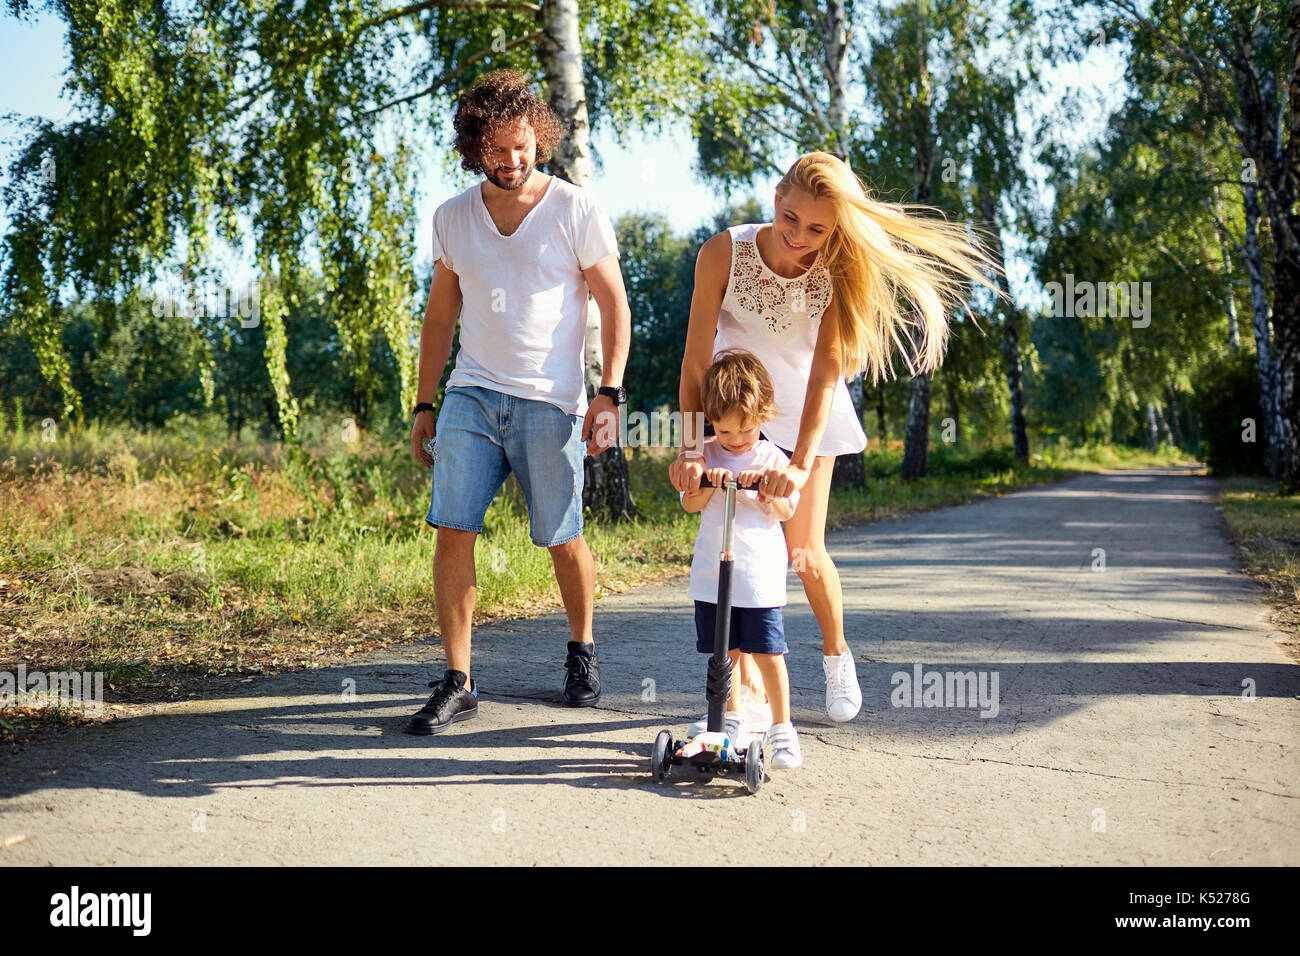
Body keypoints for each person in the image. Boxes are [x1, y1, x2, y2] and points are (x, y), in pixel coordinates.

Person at [670, 151, 1000, 722]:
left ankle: (835, 656)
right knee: (741, 551)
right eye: (791, 218)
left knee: (803, 553)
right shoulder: (723, 251)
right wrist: (691, 447)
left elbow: (827, 374)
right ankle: (742, 692)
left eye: (817, 228)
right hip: (738, 409)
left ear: (836, 229)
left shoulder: (837, 272)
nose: (799, 236)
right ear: (776, 199)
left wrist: (797, 465)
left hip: (805, 417)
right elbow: (696, 360)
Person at [405, 69, 631, 734]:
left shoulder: (574, 210)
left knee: (562, 538)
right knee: (454, 529)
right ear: (475, 147)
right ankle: (458, 679)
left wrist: (610, 392)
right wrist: (425, 405)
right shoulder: (452, 217)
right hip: (471, 397)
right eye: (498, 148)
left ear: (540, 136)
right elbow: (439, 320)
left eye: (523, 144)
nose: (513, 159)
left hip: (550, 402)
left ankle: (582, 651)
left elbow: (614, 304)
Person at [680, 349, 803, 768]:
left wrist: (769, 489)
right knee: (724, 652)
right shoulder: (706, 455)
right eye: (726, 430)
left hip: (759, 577)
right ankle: (730, 718)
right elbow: (690, 505)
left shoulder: (771, 458)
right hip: (713, 576)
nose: (737, 440)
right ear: (711, 420)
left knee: (769, 653)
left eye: (747, 430)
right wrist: (710, 484)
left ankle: (783, 730)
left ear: (764, 416)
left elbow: (788, 510)